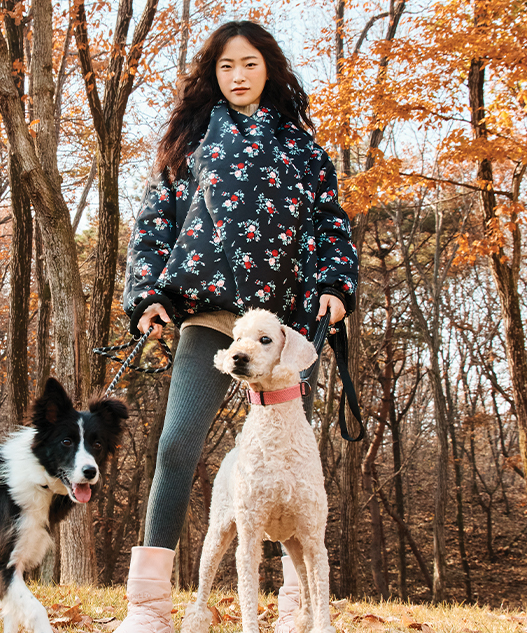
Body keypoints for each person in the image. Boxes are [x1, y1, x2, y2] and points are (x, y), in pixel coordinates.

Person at [117, 21, 358, 633]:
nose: (238, 75)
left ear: (268, 68)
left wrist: (334, 285)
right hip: (210, 312)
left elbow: (330, 223)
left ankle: (297, 605)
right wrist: (147, 296)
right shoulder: (190, 143)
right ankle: (148, 606)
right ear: (213, 74)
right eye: (226, 66)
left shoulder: (303, 149)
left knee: (294, 467)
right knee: (177, 444)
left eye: (249, 63)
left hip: (283, 328)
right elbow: (154, 223)